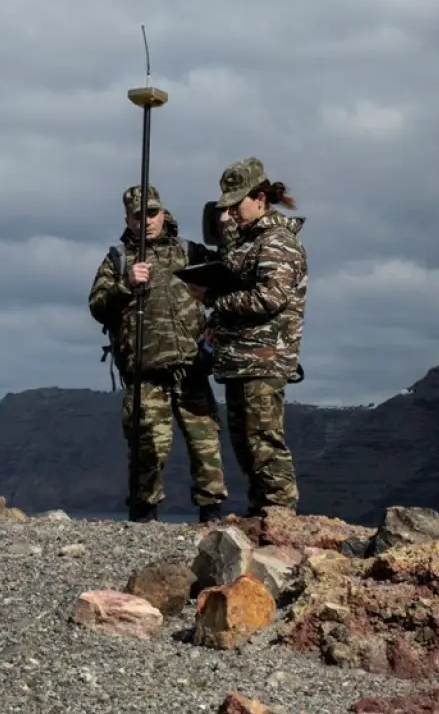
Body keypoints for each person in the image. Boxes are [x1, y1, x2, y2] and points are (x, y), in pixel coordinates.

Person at [88, 185, 229, 524]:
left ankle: (212, 515)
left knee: (205, 444)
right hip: (145, 374)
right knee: (147, 446)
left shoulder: (190, 252)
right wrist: (125, 285)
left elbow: (225, 283)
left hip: (191, 368)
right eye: (140, 216)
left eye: (153, 213)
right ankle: (144, 514)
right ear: (129, 220)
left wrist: (213, 335)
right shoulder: (118, 259)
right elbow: (98, 306)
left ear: (163, 213)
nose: (147, 221)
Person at [199, 157, 307, 516]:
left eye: (236, 205)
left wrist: (214, 298)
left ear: (260, 198)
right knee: (246, 445)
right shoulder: (249, 241)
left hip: (263, 359)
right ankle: (263, 514)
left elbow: (269, 297)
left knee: (264, 443)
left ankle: (281, 517)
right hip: (239, 358)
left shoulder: (277, 242)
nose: (229, 214)